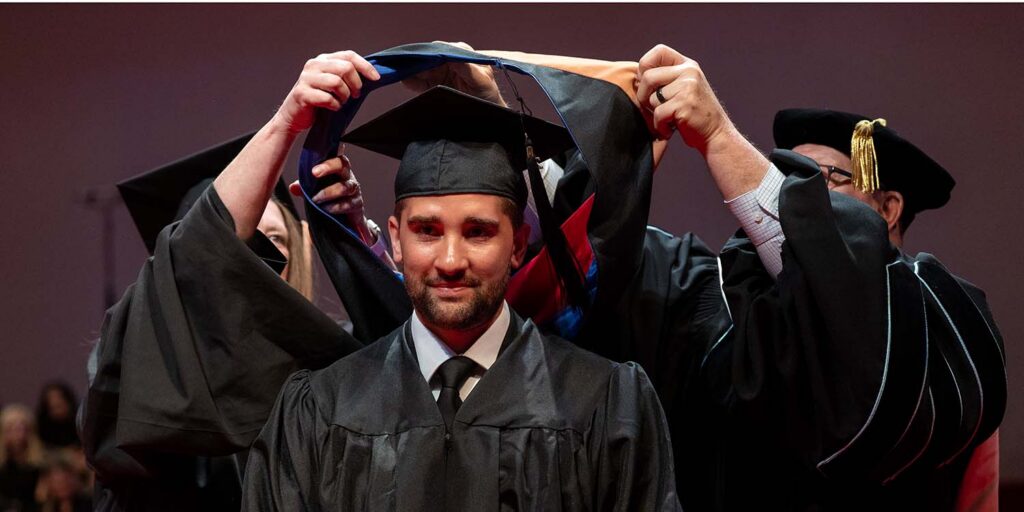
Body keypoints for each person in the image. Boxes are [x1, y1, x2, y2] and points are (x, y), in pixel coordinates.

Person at [238, 52, 680, 510]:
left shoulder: (603, 404)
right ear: (395, 238)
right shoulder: (320, 410)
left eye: (478, 232)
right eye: (427, 231)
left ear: (517, 245)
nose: (450, 260)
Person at [631, 44, 1005, 510]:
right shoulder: (731, 314)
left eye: (819, 179)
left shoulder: (944, 337)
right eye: (786, 176)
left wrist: (720, 136)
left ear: (888, 209)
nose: (793, 196)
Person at [81, 133, 368, 511]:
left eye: (275, 242)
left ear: (300, 251)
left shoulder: (340, 359)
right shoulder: (142, 369)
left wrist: (358, 240)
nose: (252, 266)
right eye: (236, 246)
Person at [0, 404, 43, 512]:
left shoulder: (40, 465)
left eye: (22, 429)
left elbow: (40, 498)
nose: (18, 435)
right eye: (11, 429)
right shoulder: (3, 464)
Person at [35, 382, 79, 451]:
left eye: (59, 397)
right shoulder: (40, 428)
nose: (55, 401)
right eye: (51, 399)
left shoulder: (81, 424)